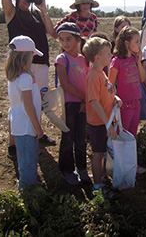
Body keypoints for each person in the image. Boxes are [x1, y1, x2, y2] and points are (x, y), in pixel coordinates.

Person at [1, 0, 57, 155]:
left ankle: (36, 132)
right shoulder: (12, 12)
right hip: (20, 63)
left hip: (40, 62)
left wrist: (44, 11)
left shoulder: (35, 14)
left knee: (37, 100)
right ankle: (13, 143)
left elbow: (53, 33)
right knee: (17, 103)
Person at [5, 35, 44, 189]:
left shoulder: (13, 76)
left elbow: (21, 99)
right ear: (25, 57)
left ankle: (28, 183)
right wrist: (38, 127)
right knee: (29, 158)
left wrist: (36, 95)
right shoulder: (26, 77)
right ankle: (28, 191)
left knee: (24, 159)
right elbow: (28, 105)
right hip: (28, 125)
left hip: (18, 124)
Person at [82, 37, 121, 192]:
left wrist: (116, 98)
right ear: (97, 57)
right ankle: (97, 185)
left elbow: (107, 92)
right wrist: (107, 124)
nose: (111, 55)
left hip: (106, 120)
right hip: (99, 122)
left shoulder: (101, 73)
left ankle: (103, 178)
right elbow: (94, 102)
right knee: (97, 154)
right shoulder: (93, 76)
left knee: (103, 152)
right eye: (107, 53)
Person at [109, 26, 146, 174]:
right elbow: (110, 84)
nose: (139, 44)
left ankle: (131, 164)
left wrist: (138, 61)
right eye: (136, 41)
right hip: (124, 105)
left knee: (132, 135)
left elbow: (143, 79)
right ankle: (120, 164)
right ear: (126, 43)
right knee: (122, 135)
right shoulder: (117, 61)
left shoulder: (133, 59)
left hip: (136, 102)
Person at [55, 22, 90, 185]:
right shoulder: (61, 59)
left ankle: (82, 169)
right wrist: (83, 98)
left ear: (78, 40)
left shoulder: (84, 59)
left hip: (83, 104)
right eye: (62, 40)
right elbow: (65, 84)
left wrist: (86, 100)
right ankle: (67, 170)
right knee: (68, 137)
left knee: (81, 138)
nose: (65, 43)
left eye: (68, 39)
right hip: (70, 104)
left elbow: (88, 81)